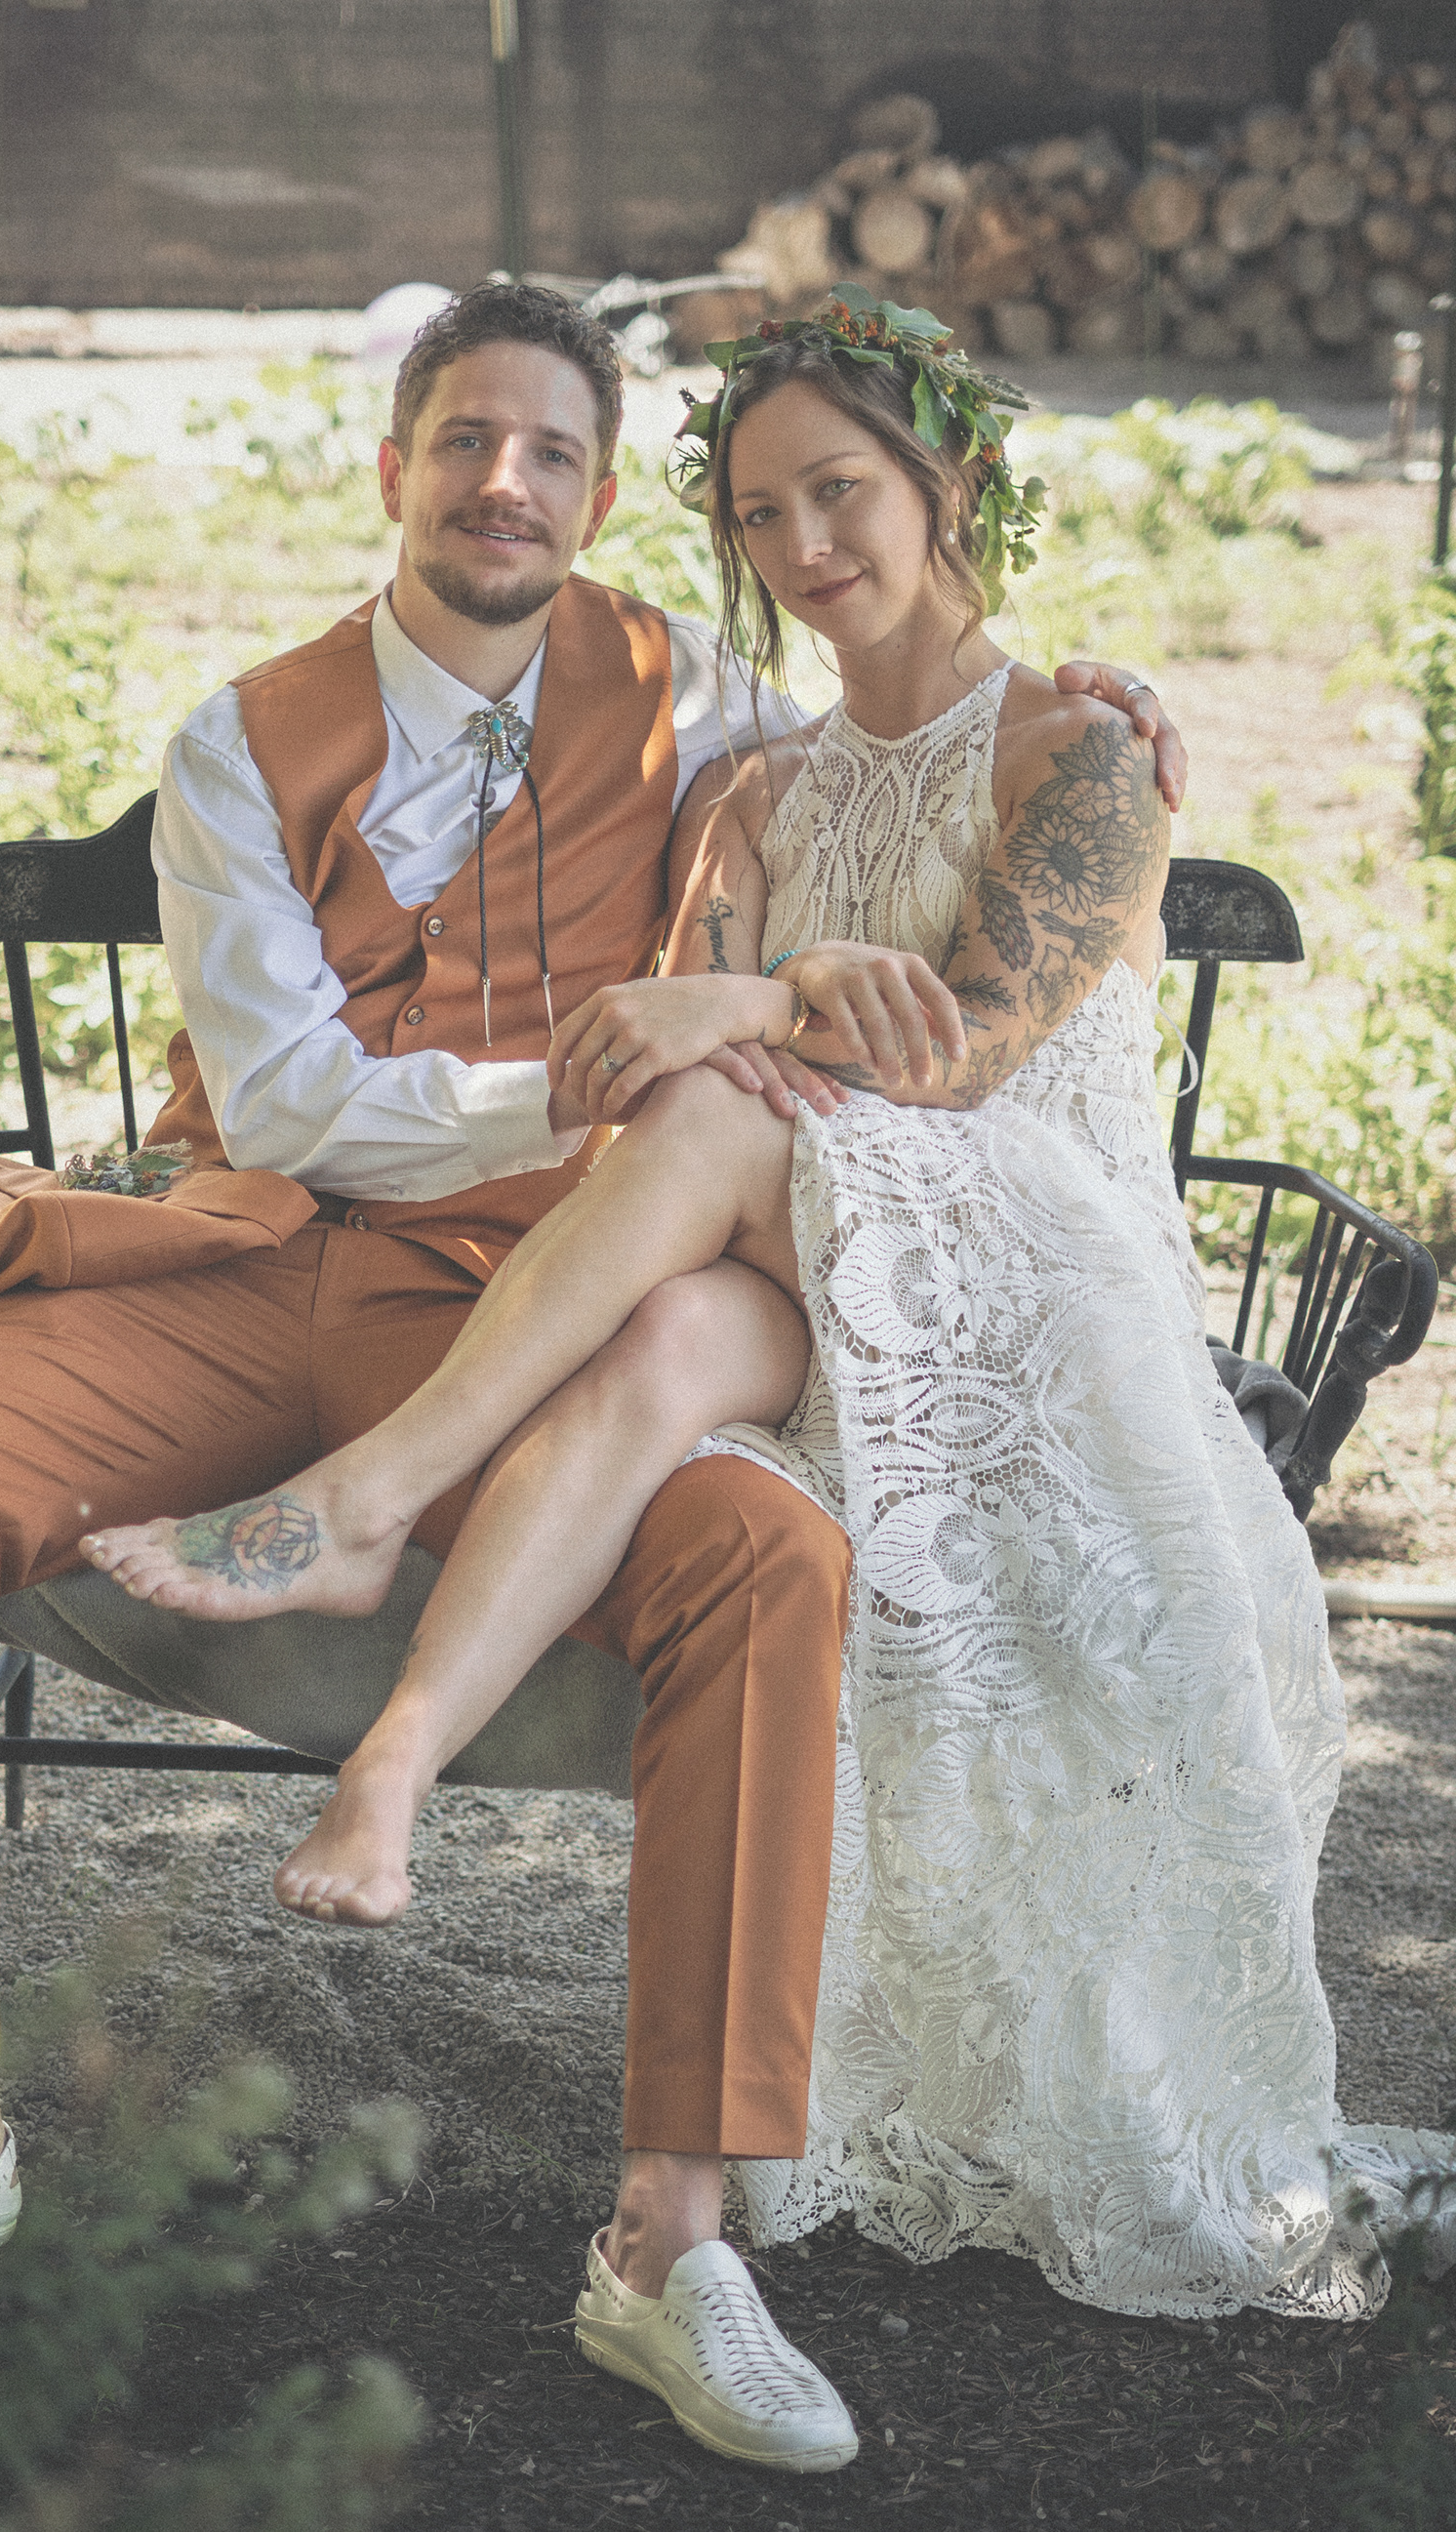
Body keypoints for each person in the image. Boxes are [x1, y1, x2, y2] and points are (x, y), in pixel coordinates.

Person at [0, 282, 1178, 2466]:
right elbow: (287, 1103)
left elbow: (908, 699)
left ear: (598, 494)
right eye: (467, 441)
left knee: (764, 1553)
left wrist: (1105, 696)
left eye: (554, 453)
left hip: (531, 1306)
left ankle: (669, 2242)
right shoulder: (238, 741)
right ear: (396, 468)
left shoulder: (694, 686)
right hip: (244, 1261)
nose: (506, 486)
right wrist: (613, 1083)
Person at [85, 288, 1453, 2340]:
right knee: (668, 1336)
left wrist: (750, 995)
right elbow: (683, 1048)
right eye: (759, 511)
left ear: (948, 482)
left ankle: (370, 1491)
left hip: (1043, 1291)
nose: (805, 544)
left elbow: (962, 1055)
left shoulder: (1085, 752)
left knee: (727, 1109)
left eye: (843, 492)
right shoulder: (753, 790)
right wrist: (745, 999)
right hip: (823, 1278)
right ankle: (400, 1755)